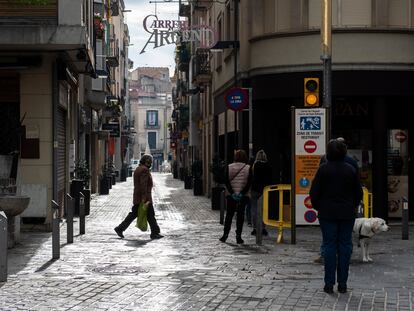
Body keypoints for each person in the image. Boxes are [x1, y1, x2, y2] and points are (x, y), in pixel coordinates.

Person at [310, 139, 363, 294]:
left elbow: (314, 192)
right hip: (346, 212)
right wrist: (352, 205)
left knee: (329, 246)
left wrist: (318, 206)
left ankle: (328, 283)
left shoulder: (323, 169)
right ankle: (343, 283)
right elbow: (358, 193)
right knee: (345, 245)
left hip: (327, 212)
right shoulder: (350, 169)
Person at [315, 137, 359, 264]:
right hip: (346, 207)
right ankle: (345, 258)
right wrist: (353, 204)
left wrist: (319, 206)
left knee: (328, 239)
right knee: (345, 239)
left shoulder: (324, 163)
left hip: (327, 209)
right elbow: (357, 189)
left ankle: (326, 258)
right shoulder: (352, 164)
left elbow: (316, 189)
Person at [114, 154, 163, 240]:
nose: (151, 163)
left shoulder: (138, 169)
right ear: (146, 161)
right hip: (144, 198)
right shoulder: (144, 170)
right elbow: (143, 185)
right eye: (150, 161)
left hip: (138, 197)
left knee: (135, 214)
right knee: (150, 215)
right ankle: (155, 233)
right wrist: (144, 199)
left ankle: (120, 228)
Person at [220, 149, 251, 244]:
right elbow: (249, 182)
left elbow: (226, 181)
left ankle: (225, 235)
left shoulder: (229, 167)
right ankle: (238, 236)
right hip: (243, 195)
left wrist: (232, 192)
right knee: (240, 215)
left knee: (229, 215)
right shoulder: (248, 168)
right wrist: (241, 193)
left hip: (231, 195)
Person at [250, 150, 272, 236]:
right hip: (265, 190)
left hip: (255, 189)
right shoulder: (268, 166)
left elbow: (252, 177)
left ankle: (255, 228)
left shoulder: (254, 166)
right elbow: (270, 179)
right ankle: (263, 228)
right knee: (264, 209)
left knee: (254, 209)